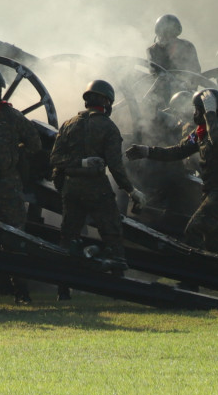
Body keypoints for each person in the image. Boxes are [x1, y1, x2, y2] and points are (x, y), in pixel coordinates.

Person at [127, 88, 218, 273]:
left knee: (194, 231)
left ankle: (193, 278)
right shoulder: (200, 132)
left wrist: (210, 113)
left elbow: (217, 139)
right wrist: (147, 151)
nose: (194, 114)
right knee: (214, 241)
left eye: (197, 110)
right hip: (214, 192)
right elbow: (179, 151)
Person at [50, 79, 146, 271]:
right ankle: (115, 271)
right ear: (107, 102)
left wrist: (80, 163)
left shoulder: (68, 124)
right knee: (112, 233)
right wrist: (131, 191)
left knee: (68, 238)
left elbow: (55, 159)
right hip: (96, 189)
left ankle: (63, 281)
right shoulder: (109, 128)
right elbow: (116, 166)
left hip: (71, 189)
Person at [0, 65, 43, 302]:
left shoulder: (12, 116)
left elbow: (34, 143)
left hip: (6, 186)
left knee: (15, 240)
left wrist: (17, 156)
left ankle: (20, 291)